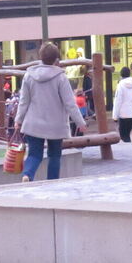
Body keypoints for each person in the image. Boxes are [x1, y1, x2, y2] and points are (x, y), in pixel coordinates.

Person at [15, 42, 86, 182]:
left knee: (34, 154)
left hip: (33, 123)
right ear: (56, 59)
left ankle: (27, 174)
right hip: (56, 125)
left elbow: (24, 101)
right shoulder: (60, 77)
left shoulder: (29, 76)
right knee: (54, 155)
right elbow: (70, 103)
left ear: (40, 57)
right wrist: (80, 122)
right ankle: (52, 183)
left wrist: (18, 120)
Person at [111, 66, 132, 143]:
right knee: (127, 135)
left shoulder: (120, 85)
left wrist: (115, 116)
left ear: (121, 75)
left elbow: (117, 102)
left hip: (123, 114)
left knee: (123, 135)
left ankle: (127, 148)